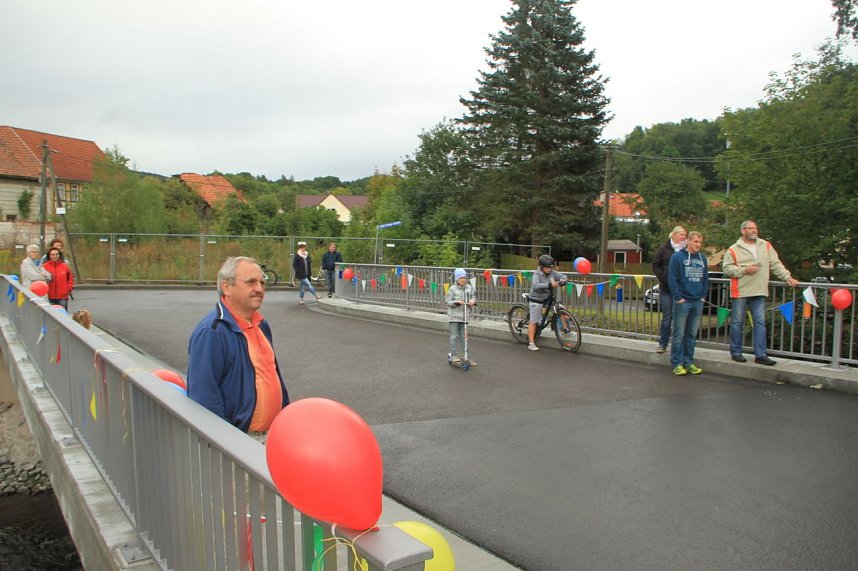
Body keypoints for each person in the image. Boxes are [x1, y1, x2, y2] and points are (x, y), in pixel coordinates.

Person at [187, 256, 290, 438]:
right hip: (240, 442)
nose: (259, 289)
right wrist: (231, 444)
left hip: (273, 436)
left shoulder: (261, 324)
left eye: (262, 282)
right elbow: (203, 398)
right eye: (251, 282)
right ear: (227, 287)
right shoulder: (212, 332)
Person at [722, 220, 798, 366]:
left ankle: (761, 355)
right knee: (737, 322)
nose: (754, 230)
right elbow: (727, 269)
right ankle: (736, 352)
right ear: (743, 231)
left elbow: (775, 264)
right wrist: (744, 270)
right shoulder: (733, 249)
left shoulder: (765, 245)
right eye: (751, 228)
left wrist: (787, 277)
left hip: (760, 290)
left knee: (760, 322)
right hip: (741, 290)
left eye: (755, 228)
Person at [667, 231, 708, 376]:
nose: (698, 245)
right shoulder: (677, 257)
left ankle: (688, 361)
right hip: (683, 301)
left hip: (697, 301)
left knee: (691, 334)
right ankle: (677, 363)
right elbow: (672, 279)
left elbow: (705, 278)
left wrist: (703, 295)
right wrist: (678, 297)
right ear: (688, 242)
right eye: (696, 241)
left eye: (700, 242)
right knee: (679, 333)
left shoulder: (702, 258)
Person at [651, 226, 687, 354]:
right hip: (666, 288)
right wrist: (663, 278)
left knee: (681, 317)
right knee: (667, 316)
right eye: (682, 234)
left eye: (685, 235)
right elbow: (655, 264)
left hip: (681, 289)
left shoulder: (686, 250)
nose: (684, 237)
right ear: (674, 235)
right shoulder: (664, 249)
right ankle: (663, 343)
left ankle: (678, 345)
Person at [527, 255, 567, 351]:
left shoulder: (552, 272)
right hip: (537, 299)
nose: (550, 269)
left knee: (560, 310)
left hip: (548, 297)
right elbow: (536, 285)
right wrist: (549, 284)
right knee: (534, 321)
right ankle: (531, 343)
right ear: (542, 266)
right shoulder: (537, 274)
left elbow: (563, 276)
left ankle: (566, 330)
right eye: (548, 267)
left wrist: (563, 281)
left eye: (551, 267)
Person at [444, 268, 478, 366]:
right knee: (454, 336)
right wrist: (456, 303)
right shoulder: (452, 289)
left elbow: (473, 297)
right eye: (461, 278)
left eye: (464, 277)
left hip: (465, 317)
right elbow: (448, 301)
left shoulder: (469, 287)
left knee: (465, 337)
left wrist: (473, 301)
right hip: (454, 317)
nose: (463, 279)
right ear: (457, 279)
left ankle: (466, 355)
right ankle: (453, 354)